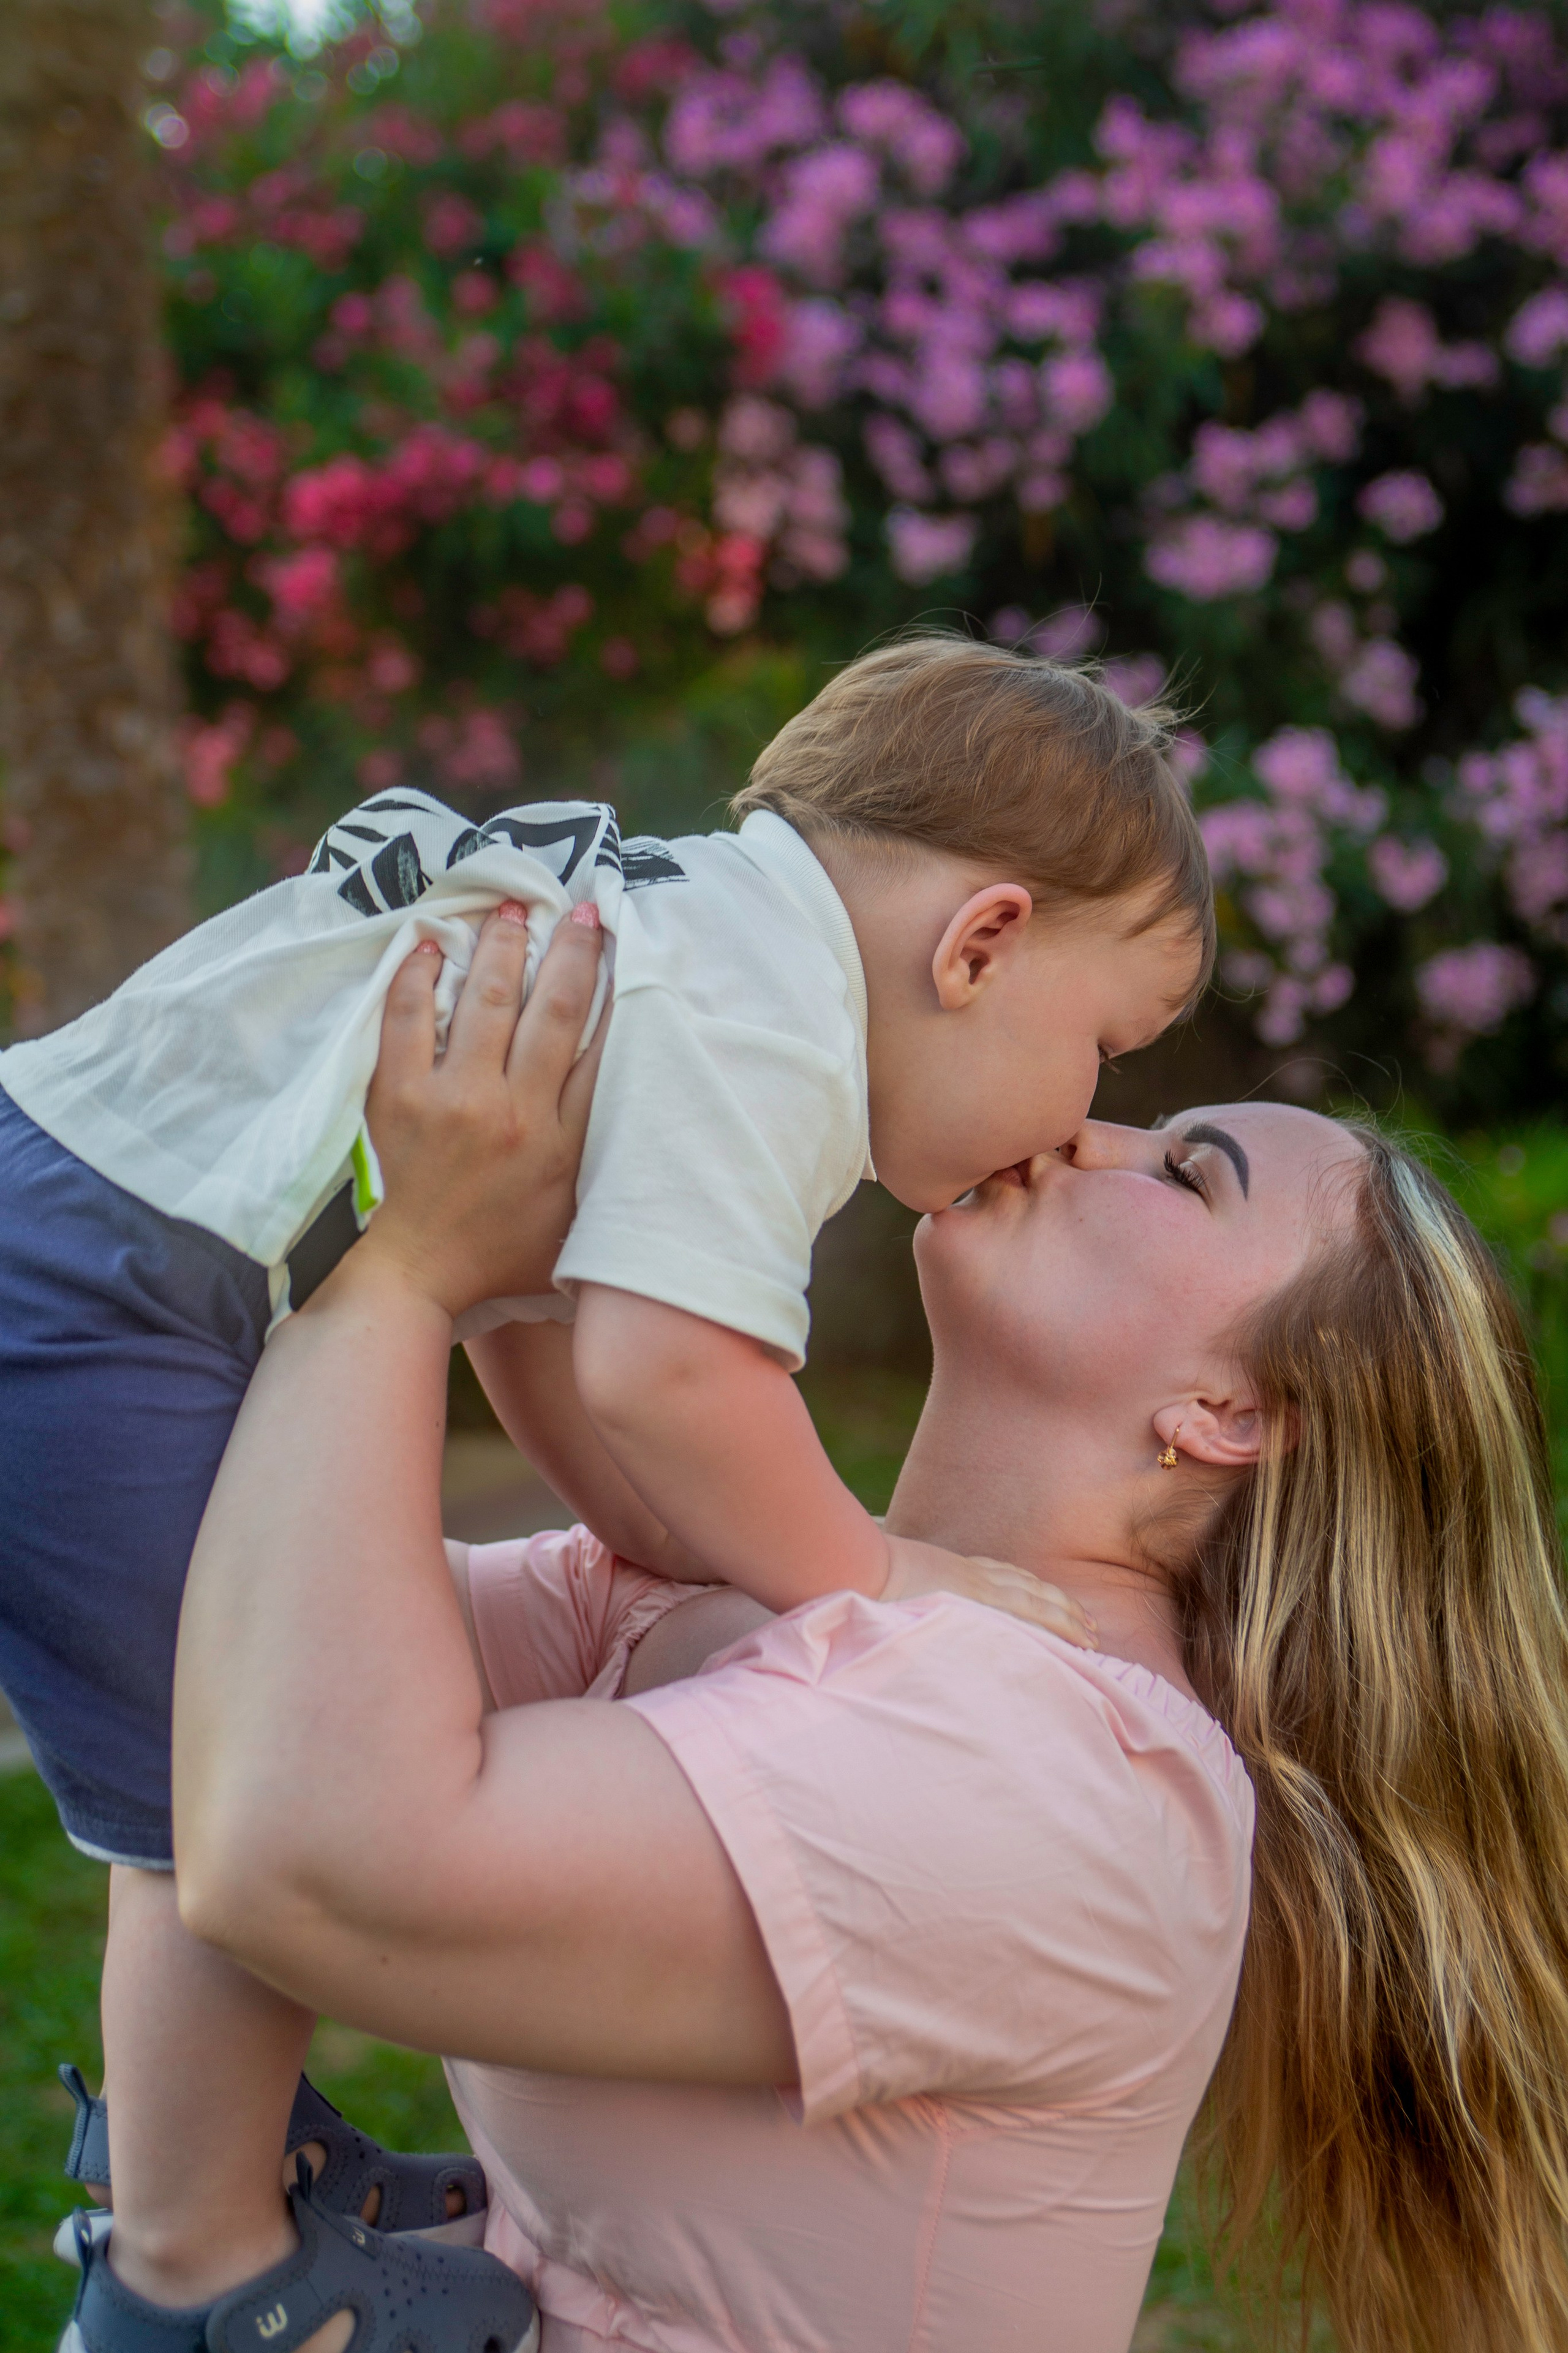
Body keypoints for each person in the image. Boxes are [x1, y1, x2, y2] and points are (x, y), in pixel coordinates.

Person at [2, 637, 1209, 2348]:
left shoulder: (685, 936)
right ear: (984, 941)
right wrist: (868, 1574)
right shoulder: (767, 1032)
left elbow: (532, 1322)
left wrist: (651, 1527)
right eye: (1108, 1044)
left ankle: (247, 2158)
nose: (1088, 1115)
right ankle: (201, 2271)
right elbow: (677, 1373)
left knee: (200, 1760)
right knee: (202, 1797)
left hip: (77, 1237)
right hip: (94, 1289)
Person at [146, 908, 1568, 2353]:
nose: (1088, 1130)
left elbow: (300, 1853)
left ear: (1234, 1414)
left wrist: (408, 1271)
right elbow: (207, 1640)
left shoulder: (1064, 1783)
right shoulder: (759, 1609)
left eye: (1187, 1172)